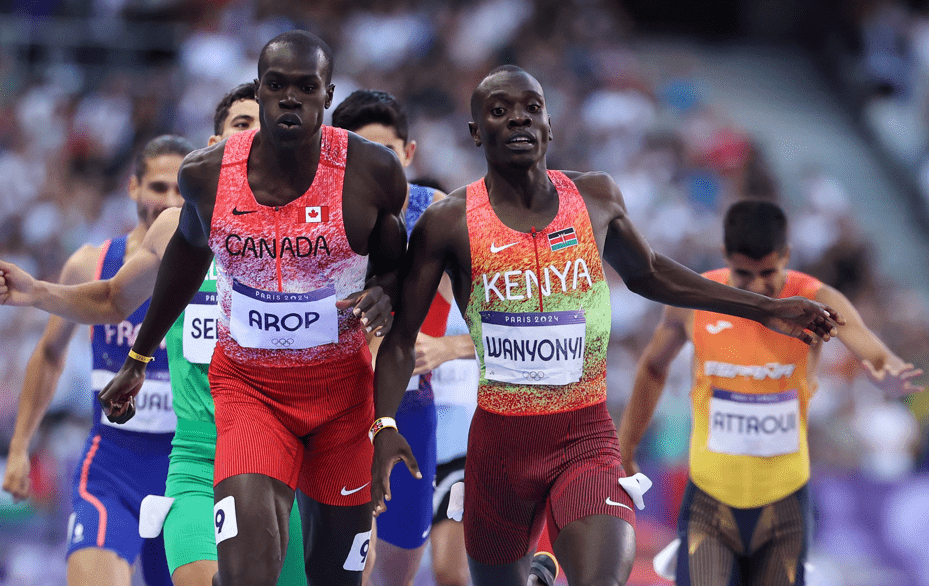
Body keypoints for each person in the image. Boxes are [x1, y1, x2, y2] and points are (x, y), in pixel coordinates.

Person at [368, 65, 844, 586]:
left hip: (585, 434)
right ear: (476, 132)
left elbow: (651, 273)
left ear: (549, 125)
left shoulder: (593, 198)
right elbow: (400, 340)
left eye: (531, 106)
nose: (518, 119)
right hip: (500, 444)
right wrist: (384, 426)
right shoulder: (450, 221)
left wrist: (765, 309)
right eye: (499, 111)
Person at [94, 31, 406, 586]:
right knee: (247, 575)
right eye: (276, 85)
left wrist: (386, 289)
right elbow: (185, 262)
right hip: (250, 393)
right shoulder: (206, 174)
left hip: (340, 400)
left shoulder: (371, 172)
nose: (290, 98)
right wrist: (138, 359)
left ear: (327, 94)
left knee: (334, 579)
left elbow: (394, 265)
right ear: (258, 93)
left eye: (305, 87)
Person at [0, 84, 308, 586]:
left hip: (264, 455)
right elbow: (95, 313)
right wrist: (38, 292)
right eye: (241, 125)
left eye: (177, 189)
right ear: (216, 141)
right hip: (148, 462)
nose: (168, 201)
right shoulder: (153, 239)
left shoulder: (307, 234)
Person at [617, 199, 926, 586]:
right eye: (744, 275)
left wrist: (887, 370)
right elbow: (651, 366)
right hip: (710, 500)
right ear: (726, 256)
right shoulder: (696, 300)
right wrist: (626, 448)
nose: (760, 286)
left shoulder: (817, 300)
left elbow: (873, 351)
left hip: (783, 504)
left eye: (769, 272)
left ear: (787, 256)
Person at [0, 134, 192, 586]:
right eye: (158, 187)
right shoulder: (92, 264)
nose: (170, 201)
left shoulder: (215, 271)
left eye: (182, 188)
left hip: (189, 473)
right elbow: (49, 352)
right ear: (133, 188)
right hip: (113, 470)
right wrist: (20, 445)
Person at [331, 89, 475, 586]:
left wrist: (450, 346)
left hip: (412, 410)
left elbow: (505, 315)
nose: (377, 167)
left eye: (387, 154)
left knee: (397, 572)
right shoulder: (315, 213)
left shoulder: (435, 213)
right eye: (361, 153)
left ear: (409, 154)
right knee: (353, 562)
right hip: (335, 410)